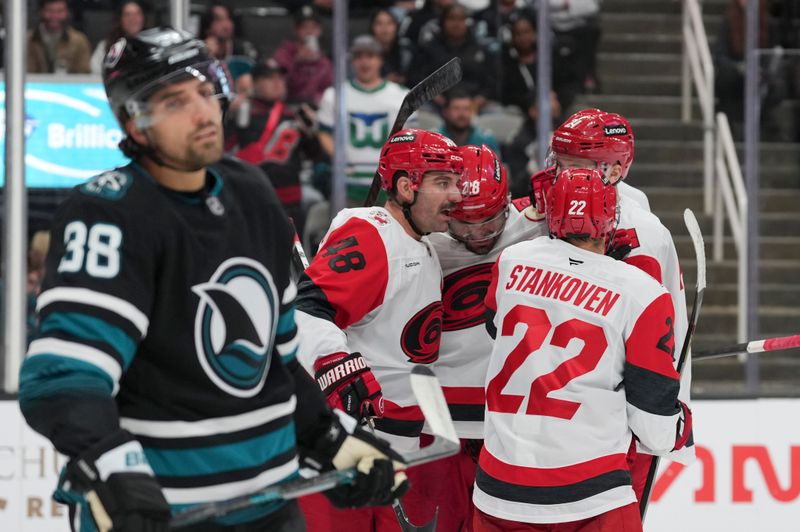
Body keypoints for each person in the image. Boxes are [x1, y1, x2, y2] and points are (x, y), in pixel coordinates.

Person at [18, 27, 409, 532]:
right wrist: (111, 465)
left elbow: (278, 359)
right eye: (175, 101)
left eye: (206, 90)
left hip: (271, 503)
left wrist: (327, 437)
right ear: (133, 122)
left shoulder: (253, 194)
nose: (202, 111)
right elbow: (64, 377)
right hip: (163, 511)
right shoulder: (108, 213)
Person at [474, 167, 692, 531]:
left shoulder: (511, 261)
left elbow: (496, 326)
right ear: (611, 218)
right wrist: (679, 422)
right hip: (590, 498)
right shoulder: (642, 291)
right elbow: (654, 430)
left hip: (498, 489)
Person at [293, 128, 463, 530]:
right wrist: (336, 362)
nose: (456, 195)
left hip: (400, 444)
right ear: (406, 187)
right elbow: (306, 310)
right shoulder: (373, 234)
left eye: (455, 182)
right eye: (443, 183)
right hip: (355, 446)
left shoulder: (421, 242)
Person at [542, 108, 695, 507]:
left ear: (612, 171)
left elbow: (643, 342)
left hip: (624, 423)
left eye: (574, 166)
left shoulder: (638, 232)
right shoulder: (579, 207)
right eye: (558, 162)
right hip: (573, 410)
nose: (560, 175)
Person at [424, 144, 548, 530]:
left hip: (511, 419)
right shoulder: (425, 239)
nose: (478, 236)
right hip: (439, 417)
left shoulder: (540, 222)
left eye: (490, 224)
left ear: (508, 203)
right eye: (464, 226)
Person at [225, 58, 323, 238]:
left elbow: (316, 156)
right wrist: (228, 115)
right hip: (250, 199)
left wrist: (312, 133)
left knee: (292, 257)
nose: (277, 82)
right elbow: (225, 150)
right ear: (255, 83)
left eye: (280, 78)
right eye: (269, 78)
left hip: (289, 201)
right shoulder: (241, 111)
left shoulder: (296, 114)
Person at [317, 34, 411, 205]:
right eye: (359, 56)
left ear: (380, 59)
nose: (364, 62)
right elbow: (324, 133)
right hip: (347, 184)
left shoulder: (401, 96)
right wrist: (341, 160)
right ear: (352, 61)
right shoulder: (334, 95)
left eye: (370, 56)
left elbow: (410, 139)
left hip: (389, 186)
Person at [408, 3, 498, 107]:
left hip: (474, 104)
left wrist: (481, 98)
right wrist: (433, 97)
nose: (456, 24)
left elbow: (492, 80)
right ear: (442, 22)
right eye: (452, 19)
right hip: (436, 104)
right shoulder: (428, 49)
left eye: (461, 19)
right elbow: (415, 76)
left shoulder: (480, 50)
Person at [272, 5, 333, 105]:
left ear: (320, 30)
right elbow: (276, 88)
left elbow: (329, 90)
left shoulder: (324, 61)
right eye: (304, 27)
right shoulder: (284, 54)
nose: (309, 31)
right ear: (296, 30)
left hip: (315, 107)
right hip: (287, 107)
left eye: (314, 27)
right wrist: (296, 63)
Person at [27, 0, 91, 74]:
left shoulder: (79, 41)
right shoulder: (26, 40)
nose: (54, 16)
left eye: (60, 11)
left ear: (67, 13)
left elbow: (84, 74)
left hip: (68, 85)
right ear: (41, 12)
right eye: (49, 11)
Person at [89, 0, 148, 74]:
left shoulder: (152, 46)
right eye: (127, 14)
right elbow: (95, 71)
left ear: (143, 18)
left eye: (137, 14)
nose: (133, 19)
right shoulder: (105, 46)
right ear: (120, 19)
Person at [437, 88, 500, 152]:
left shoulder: (487, 139)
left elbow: (496, 161)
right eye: (456, 108)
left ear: (472, 111)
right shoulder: (435, 139)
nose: (461, 113)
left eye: (466, 108)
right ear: (446, 111)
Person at [370, 8, 415, 86]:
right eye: (379, 23)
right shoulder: (365, 54)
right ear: (372, 27)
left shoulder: (407, 51)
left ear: (397, 27)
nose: (385, 29)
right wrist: (383, 82)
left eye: (389, 23)